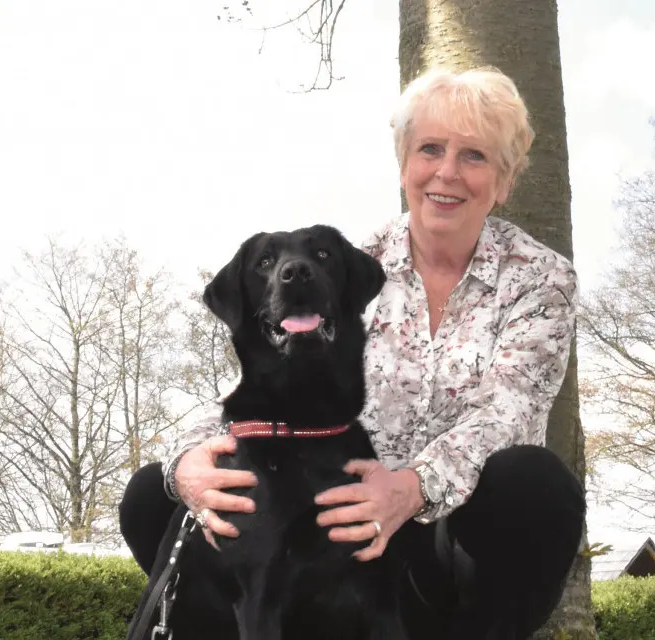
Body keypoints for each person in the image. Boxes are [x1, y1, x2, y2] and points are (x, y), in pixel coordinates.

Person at [119, 66, 586, 639]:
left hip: (450, 541)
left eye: (475, 156)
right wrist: (186, 461)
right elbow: (260, 388)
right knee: (153, 494)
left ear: (505, 181)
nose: (446, 173)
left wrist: (410, 488)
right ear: (404, 164)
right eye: (430, 149)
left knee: (536, 484)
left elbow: (509, 415)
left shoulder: (542, 279)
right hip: (334, 531)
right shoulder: (342, 265)